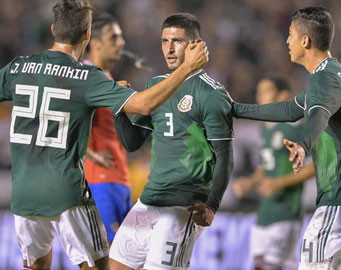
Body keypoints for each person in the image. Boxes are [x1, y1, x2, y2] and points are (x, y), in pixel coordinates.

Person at [0, 0, 208, 269]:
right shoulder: (86, 77)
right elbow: (144, 104)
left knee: (36, 266)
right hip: (66, 192)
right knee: (100, 266)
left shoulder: (18, 68)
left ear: (53, 29)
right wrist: (186, 68)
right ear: (88, 34)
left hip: (24, 192)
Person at [233, 6, 341, 270]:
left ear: (305, 40)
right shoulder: (333, 74)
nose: (286, 41)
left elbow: (318, 117)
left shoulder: (325, 78)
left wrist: (304, 143)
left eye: (290, 34)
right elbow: (289, 109)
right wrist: (236, 109)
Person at [110, 13, 234, 270]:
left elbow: (225, 156)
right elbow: (133, 142)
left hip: (183, 205)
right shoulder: (157, 85)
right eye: (164, 41)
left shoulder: (211, 94)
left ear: (195, 44)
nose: (169, 48)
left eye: (176, 41)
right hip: (148, 201)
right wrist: (118, 108)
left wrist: (212, 205)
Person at [233, 77, 315, 270]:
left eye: (266, 91)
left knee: (270, 266)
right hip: (265, 212)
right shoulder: (266, 130)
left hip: (286, 210)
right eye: (258, 91)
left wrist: (279, 183)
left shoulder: (294, 129)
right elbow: (266, 167)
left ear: (283, 95)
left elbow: (313, 166)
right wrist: (249, 182)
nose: (259, 96)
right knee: (264, 265)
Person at [83, 13, 132, 246]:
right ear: (96, 43)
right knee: (106, 254)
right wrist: (90, 154)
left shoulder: (106, 77)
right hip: (99, 179)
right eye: (114, 37)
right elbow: (60, 121)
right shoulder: (84, 78)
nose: (121, 43)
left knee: (122, 256)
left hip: (118, 177)